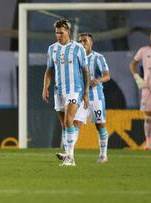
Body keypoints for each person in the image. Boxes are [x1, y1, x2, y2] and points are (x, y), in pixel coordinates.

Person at [42, 19, 90, 167]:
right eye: (56, 32)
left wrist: (86, 91)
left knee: (69, 121)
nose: (58, 35)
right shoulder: (52, 49)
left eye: (61, 32)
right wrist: (45, 87)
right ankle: (69, 154)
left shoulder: (78, 48)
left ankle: (70, 158)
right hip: (59, 90)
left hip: (74, 90)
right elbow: (49, 69)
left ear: (68, 32)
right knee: (64, 125)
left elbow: (85, 71)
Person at [57, 33, 110, 163]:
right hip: (80, 97)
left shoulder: (98, 58)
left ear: (91, 43)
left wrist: (98, 80)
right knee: (75, 124)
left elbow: (107, 76)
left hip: (96, 98)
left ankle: (103, 155)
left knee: (100, 125)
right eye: (80, 41)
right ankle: (69, 155)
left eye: (85, 41)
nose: (82, 43)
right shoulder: (74, 58)